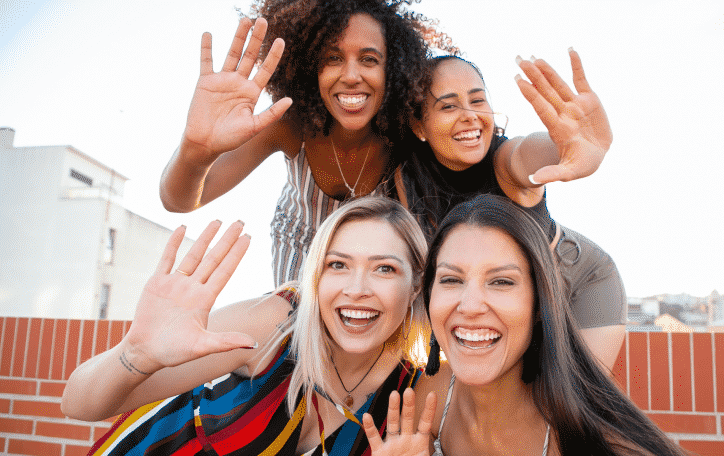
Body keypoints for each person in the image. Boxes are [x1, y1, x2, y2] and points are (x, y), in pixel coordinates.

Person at [61, 197, 430, 456]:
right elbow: (79, 405)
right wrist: (135, 354)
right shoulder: (274, 325)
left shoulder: (417, 389)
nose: (356, 289)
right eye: (337, 265)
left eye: (385, 268)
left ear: (415, 284)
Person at [362, 194, 685, 456]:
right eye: (451, 279)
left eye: (501, 281)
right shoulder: (425, 401)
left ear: (540, 303)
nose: (470, 305)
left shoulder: (606, 445)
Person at [159, 0, 451, 286]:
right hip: (301, 251)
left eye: (369, 59)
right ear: (310, 68)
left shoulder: (404, 137)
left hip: (374, 258)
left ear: (393, 70)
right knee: (297, 329)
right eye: (332, 59)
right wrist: (195, 149)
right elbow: (179, 200)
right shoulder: (289, 127)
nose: (351, 76)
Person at [392, 51, 625, 369]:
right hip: (512, 293)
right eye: (448, 105)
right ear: (419, 124)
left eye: (477, 100)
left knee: (575, 405)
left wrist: (565, 148)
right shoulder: (409, 176)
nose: (470, 115)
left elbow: (529, 153)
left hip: (580, 278)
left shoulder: (505, 160)